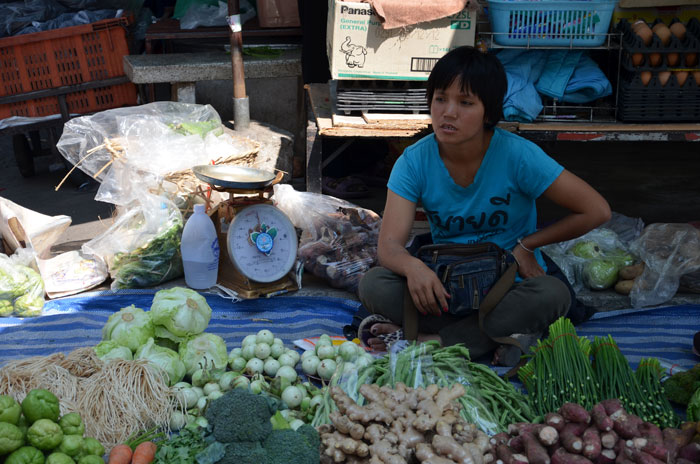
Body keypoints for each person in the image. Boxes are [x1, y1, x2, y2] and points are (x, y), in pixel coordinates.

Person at [357, 46, 611, 365]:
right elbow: (389, 246)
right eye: (440, 99)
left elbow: (596, 210)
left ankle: (434, 339)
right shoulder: (414, 162)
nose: (448, 112)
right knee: (374, 284)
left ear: (488, 113)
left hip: (507, 286)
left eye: (465, 103)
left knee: (552, 295)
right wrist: (414, 267)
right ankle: (488, 339)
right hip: (446, 287)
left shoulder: (518, 156)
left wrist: (527, 244)